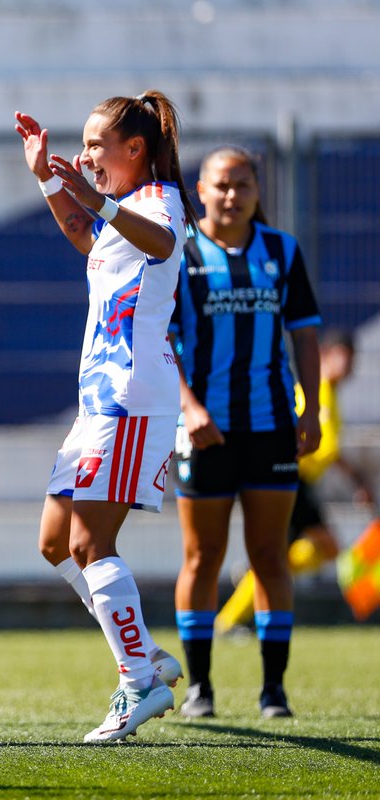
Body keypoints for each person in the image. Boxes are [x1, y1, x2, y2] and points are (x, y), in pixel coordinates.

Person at [15, 91, 197, 742]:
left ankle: (138, 681)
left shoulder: (158, 201)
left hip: (130, 397)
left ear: (135, 150)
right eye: (85, 143)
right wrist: (43, 174)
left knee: (92, 543)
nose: (86, 154)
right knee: (55, 542)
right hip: (100, 396)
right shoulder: (118, 214)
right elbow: (82, 234)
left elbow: (163, 238)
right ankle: (143, 653)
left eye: (96, 144)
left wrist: (97, 201)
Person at [170, 145, 323, 719]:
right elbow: (162, 341)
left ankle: (273, 690)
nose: (231, 195)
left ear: (259, 191)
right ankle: (200, 689)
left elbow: (305, 335)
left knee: (269, 555)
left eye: (242, 185)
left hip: (270, 428)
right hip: (205, 431)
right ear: (201, 191)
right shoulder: (180, 253)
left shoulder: (282, 251)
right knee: (201, 557)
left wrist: (308, 412)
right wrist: (188, 408)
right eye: (220, 185)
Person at [214, 329, 376, 634]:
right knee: (311, 551)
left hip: (301, 486)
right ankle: (227, 621)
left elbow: (328, 448)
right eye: (346, 358)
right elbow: (293, 436)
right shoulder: (313, 395)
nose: (350, 368)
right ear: (327, 356)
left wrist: (356, 480)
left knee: (319, 550)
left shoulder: (330, 396)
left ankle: (251, 580)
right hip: (290, 481)